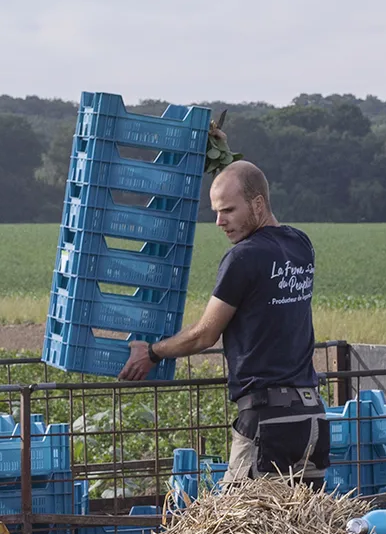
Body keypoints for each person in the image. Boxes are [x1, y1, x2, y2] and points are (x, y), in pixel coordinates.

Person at [118, 160, 327, 484]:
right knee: (301, 529)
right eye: (216, 211)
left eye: (228, 210)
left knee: (234, 526)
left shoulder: (242, 258)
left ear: (258, 204)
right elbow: (250, 177)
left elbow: (204, 335)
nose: (219, 221)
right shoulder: (301, 245)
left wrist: (153, 352)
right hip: (311, 419)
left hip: (266, 423)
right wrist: (222, 156)